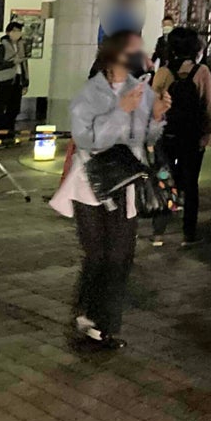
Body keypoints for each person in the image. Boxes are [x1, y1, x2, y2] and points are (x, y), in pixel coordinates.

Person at [50, 30, 170, 349]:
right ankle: (88, 313)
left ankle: (102, 324)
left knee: (119, 256)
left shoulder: (138, 90)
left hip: (124, 183)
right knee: (98, 255)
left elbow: (147, 139)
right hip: (91, 183)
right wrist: (121, 111)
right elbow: (87, 140)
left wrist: (157, 116)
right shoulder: (90, 93)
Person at [149, 26, 211, 247]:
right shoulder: (201, 71)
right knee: (191, 183)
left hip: (166, 135)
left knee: (164, 180)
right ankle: (189, 234)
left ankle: (158, 233)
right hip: (191, 136)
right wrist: (207, 134)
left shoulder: (163, 72)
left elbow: (152, 106)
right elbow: (208, 106)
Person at [0, 21, 30, 142]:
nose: (18, 34)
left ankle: (9, 137)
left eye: (19, 31)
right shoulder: (2, 47)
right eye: (15, 31)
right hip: (4, 81)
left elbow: (25, 66)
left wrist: (26, 82)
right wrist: (12, 63)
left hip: (17, 81)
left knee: (13, 110)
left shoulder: (22, 47)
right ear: (8, 32)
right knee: (0, 109)